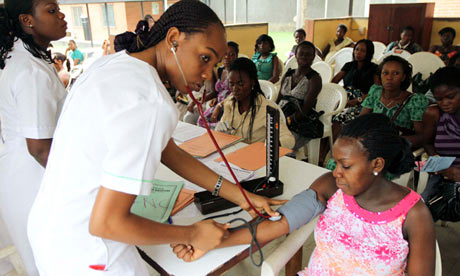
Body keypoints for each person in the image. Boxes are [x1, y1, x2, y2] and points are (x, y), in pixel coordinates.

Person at [27, 1, 284, 275]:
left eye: (215, 63)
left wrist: (240, 196)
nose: (208, 74)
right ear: (173, 39)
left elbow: (168, 151)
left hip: (50, 229)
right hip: (89, 252)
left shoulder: (112, 65)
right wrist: (191, 234)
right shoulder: (150, 100)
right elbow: (107, 223)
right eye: (205, 58)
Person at [172, 113, 436, 276]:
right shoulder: (331, 188)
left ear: (377, 165)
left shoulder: (414, 215)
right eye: (335, 163)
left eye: (346, 166)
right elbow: (277, 223)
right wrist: (213, 241)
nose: (336, 173)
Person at [0, 0, 68, 275]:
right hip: (33, 183)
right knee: (51, 264)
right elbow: (39, 149)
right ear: (28, 21)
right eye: (51, 11)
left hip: (18, 177)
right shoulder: (31, 71)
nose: (61, 15)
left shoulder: (22, 55)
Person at [216, 57, 294, 149]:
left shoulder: (266, 109)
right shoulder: (230, 102)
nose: (235, 89)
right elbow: (222, 127)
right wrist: (220, 130)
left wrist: (271, 145)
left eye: (240, 84)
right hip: (232, 153)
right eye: (231, 84)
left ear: (252, 82)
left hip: (256, 157)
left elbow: (289, 140)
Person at [360, 55, 429, 149]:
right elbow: (361, 121)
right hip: (372, 144)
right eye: (385, 73)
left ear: (403, 77)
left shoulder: (414, 101)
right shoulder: (376, 92)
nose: (389, 77)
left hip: (396, 148)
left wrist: (394, 142)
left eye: (396, 73)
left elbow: (421, 137)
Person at [421, 67, 460, 202]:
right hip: (444, 175)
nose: (445, 103)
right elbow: (427, 142)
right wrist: (436, 161)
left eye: (451, 97)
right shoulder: (434, 114)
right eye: (439, 99)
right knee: (421, 210)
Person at [276, 41, 322, 150]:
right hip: (281, 116)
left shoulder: (314, 79)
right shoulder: (288, 74)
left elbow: (306, 108)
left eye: (308, 54)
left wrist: (287, 120)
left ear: (313, 57)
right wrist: (274, 116)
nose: (304, 57)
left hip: (298, 121)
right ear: (295, 55)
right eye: (301, 54)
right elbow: (279, 98)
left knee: (280, 144)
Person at [332, 39, 379, 127]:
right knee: (328, 113)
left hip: (363, 102)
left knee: (340, 117)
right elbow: (334, 82)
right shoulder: (349, 65)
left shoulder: (374, 68)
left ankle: (336, 140)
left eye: (362, 51)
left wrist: (357, 100)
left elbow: (376, 91)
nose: (358, 53)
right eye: (356, 49)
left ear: (368, 53)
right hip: (345, 99)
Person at [197, 41, 239, 128]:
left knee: (221, 127)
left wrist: (219, 106)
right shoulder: (220, 70)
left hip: (230, 105)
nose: (227, 57)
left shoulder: (237, 73)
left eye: (231, 54)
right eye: (225, 54)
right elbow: (218, 91)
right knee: (201, 121)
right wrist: (215, 99)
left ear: (236, 56)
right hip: (218, 104)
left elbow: (235, 93)